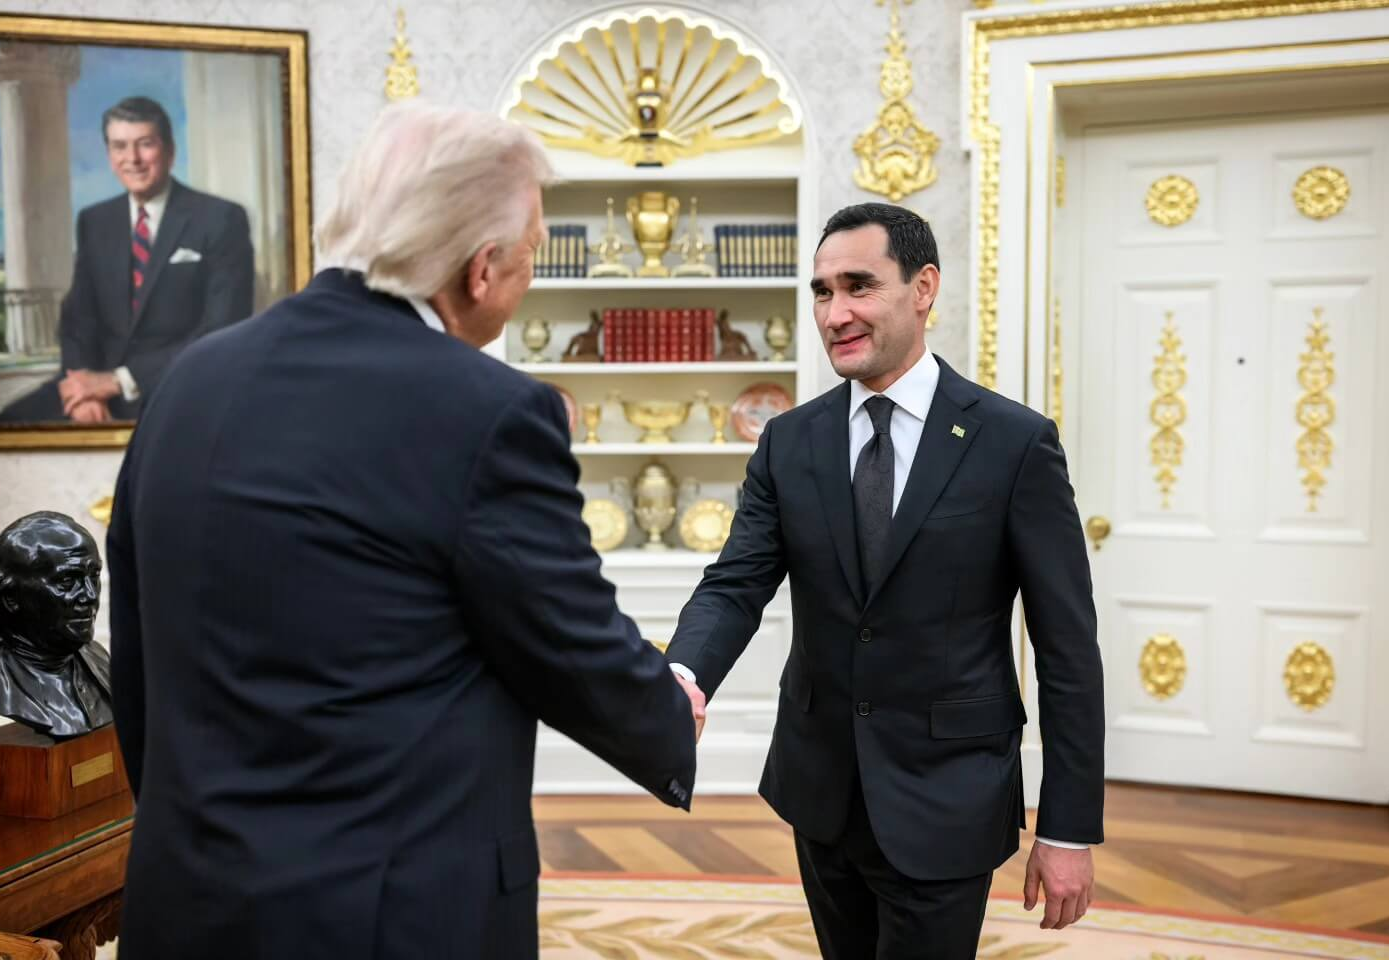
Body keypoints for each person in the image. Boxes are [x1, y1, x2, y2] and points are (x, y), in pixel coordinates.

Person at [105, 102, 701, 959]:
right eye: (532, 250)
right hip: (386, 918)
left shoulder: (189, 382)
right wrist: (666, 710)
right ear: (482, 268)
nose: (529, 273)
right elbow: (564, 638)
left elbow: (139, 662)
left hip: (187, 897)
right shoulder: (488, 411)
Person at [666, 203, 1105, 957]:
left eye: (858, 286)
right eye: (822, 291)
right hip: (821, 789)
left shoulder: (1014, 443)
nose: (834, 313)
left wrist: (1067, 826)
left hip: (950, 791)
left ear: (923, 287)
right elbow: (735, 582)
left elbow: (1066, 645)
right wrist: (683, 674)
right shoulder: (788, 441)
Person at [0, 96, 254, 423]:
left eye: (145, 144)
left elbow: (222, 328)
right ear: (109, 155)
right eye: (119, 146)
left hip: (177, 388)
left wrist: (118, 381)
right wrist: (83, 388)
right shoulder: (95, 221)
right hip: (93, 387)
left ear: (170, 151)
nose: (132, 159)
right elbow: (77, 320)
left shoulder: (220, 219)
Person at [0, 511, 109, 738]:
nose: (90, 596)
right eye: (67, 581)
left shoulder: (101, 661)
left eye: (94, 576)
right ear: (11, 597)